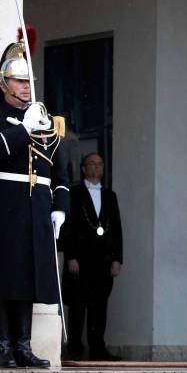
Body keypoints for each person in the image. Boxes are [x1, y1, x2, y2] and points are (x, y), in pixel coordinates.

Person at [0, 38, 69, 368]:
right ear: (5, 84)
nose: (25, 88)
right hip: (3, 204)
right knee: (4, 276)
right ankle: (4, 347)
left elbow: (59, 169)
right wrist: (24, 129)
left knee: (29, 277)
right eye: (19, 81)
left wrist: (61, 205)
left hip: (36, 206)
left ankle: (24, 345)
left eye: (28, 82)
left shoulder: (47, 118)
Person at [61, 153, 123, 361]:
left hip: (103, 261)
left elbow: (116, 229)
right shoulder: (73, 193)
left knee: (99, 307)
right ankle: (75, 349)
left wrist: (117, 259)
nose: (96, 168)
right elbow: (68, 227)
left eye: (99, 164)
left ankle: (98, 349)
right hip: (79, 260)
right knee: (78, 306)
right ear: (83, 169)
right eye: (91, 164)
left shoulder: (110, 196)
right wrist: (70, 256)